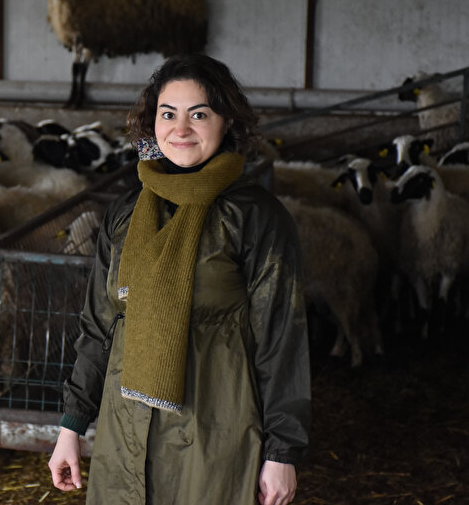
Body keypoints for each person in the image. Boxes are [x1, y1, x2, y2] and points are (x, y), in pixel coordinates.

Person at [47, 53, 311, 505]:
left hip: (215, 428)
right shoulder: (126, 212)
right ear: (152, 122)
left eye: (199, 114)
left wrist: (281, 452)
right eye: (168, 114)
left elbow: (281, 338)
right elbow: (100, 326)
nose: (181, 128)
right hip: (124, 430)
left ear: (227, 122)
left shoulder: (255, 216)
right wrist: (72, 426)